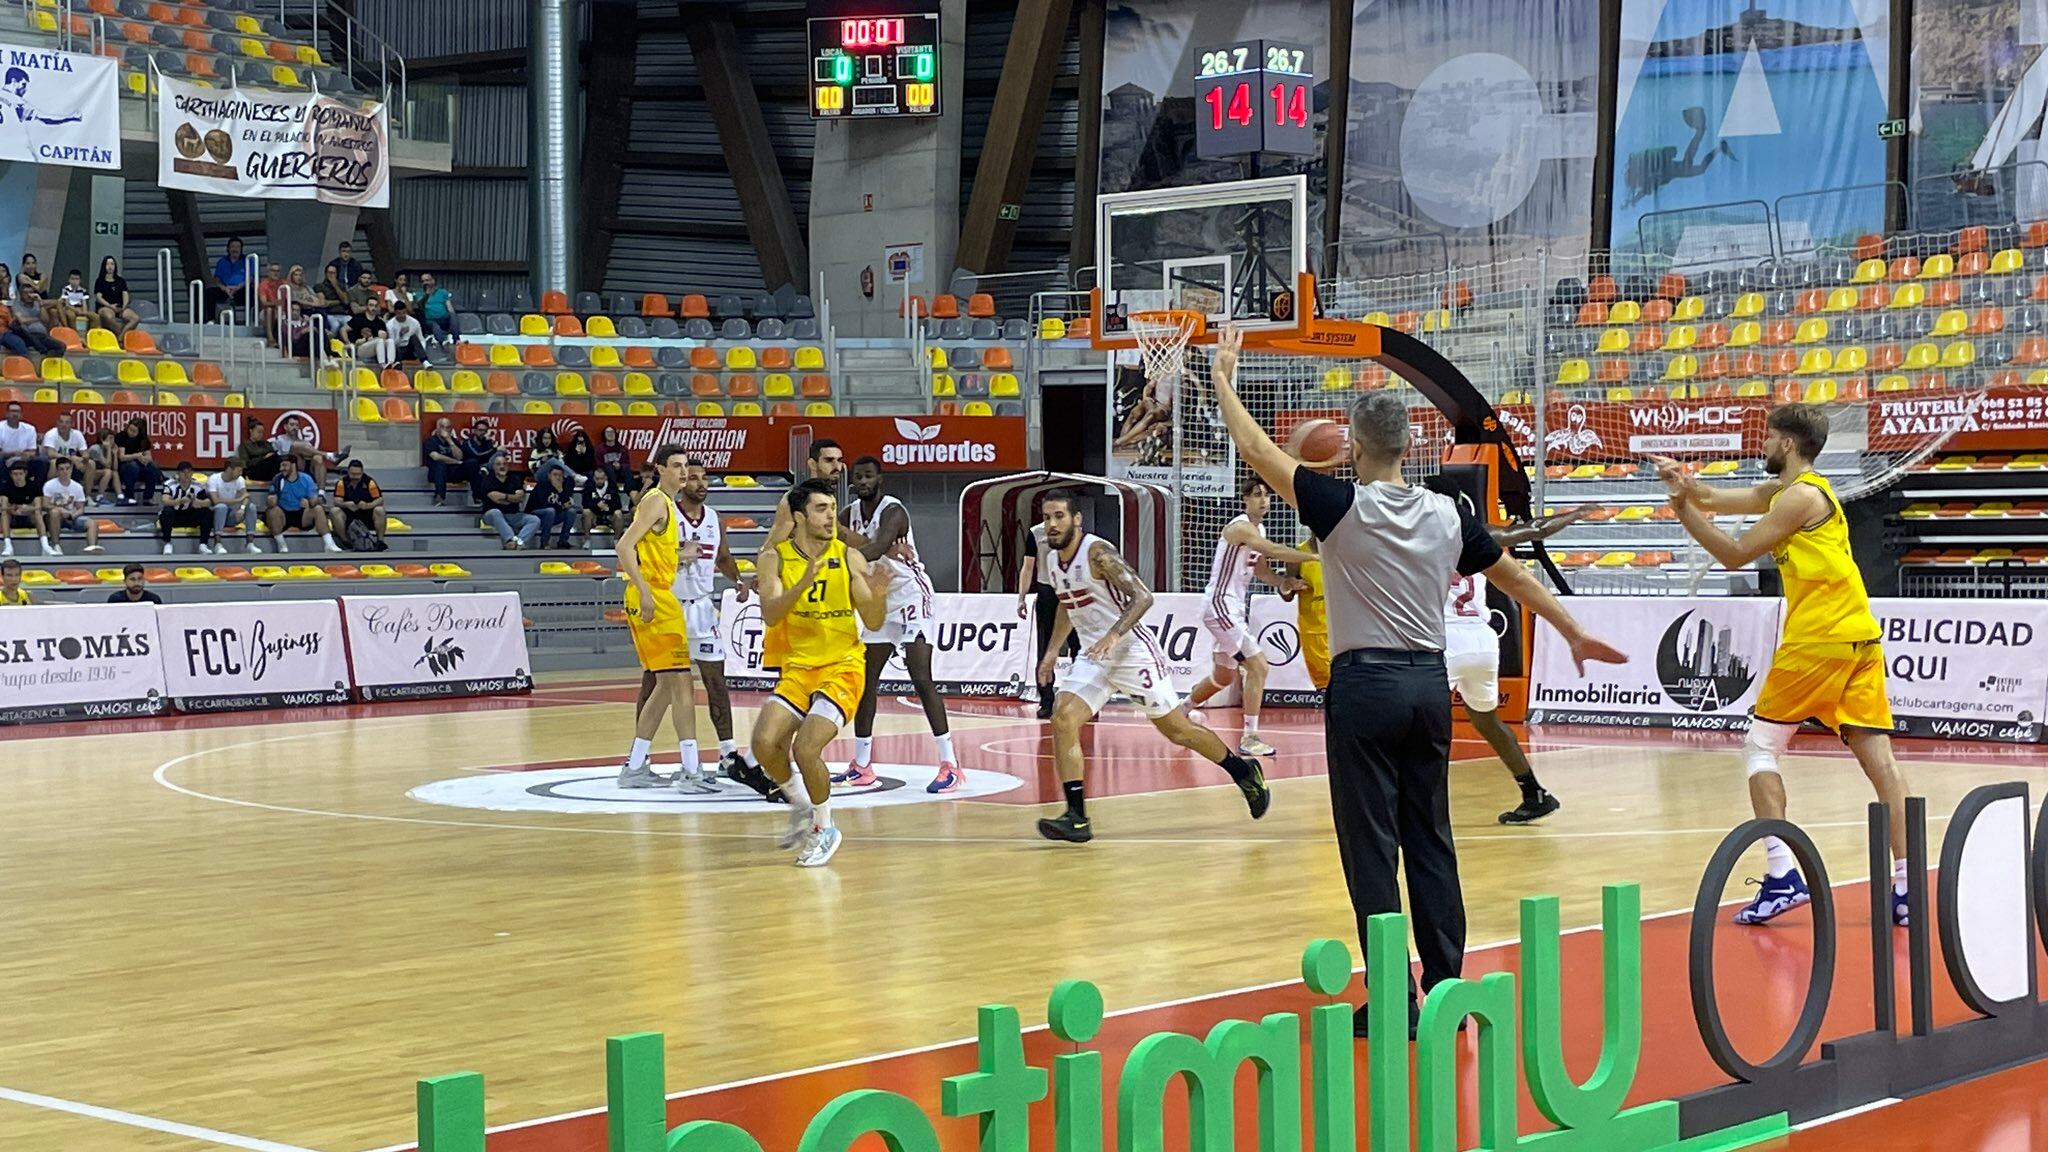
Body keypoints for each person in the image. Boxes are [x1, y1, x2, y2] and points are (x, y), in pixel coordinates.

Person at [1210, 325, 1625, 1038]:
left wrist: (1223, 374)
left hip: (1365, 685)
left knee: (1371, 847)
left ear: (1355, 447)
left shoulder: (1339, 506)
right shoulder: (1449, 512)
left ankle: (1395, 1000)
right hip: (1429, 686)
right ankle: (1447, 991)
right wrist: (1570, 628)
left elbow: (1256, 450)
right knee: (1430, 838)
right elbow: (1514, 574)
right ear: (1409, 446)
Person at [1653, 403, 1912, 927]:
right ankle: (1906, 886)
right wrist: (1685, 483)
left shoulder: (1797, 498)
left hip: (1819, 639)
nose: (1763, 446)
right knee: (1880, 763)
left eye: (1769, 438)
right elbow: (1717, 498)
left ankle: (1780, 875)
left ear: (1788, 445)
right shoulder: (1796, 491)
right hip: (1859, 637)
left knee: (1761, 747)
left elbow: (1733, 553)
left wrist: (1682, 509)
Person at [1034, 489, 1272, 843]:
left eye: (1059, 516)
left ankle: (1243, 772)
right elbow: (1068, 607)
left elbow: (1143, 596)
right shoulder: (1052, 561)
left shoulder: (1098, 553)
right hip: (1094, 656)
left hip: (1131, 651)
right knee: (1063, 717)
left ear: (1076, 519)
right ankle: (1077, 817)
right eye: (1047, 518)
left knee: (1178, 731)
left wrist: (1114, 635)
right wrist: (1052, 653)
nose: (1052, 524)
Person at [753, 478, 890, 866]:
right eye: (820, 509)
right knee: (764, 742)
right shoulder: (774, 558)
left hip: (843, 665)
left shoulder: (848, 557)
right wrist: (803, 585)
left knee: (806, 747)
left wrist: (877, 593)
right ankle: (798, 801)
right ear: (798, 516)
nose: (831, 516)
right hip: (799, 667)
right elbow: (771, 613)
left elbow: (874, 622)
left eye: (832, 508)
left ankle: (824, 826)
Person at [1432, 500, 1592, 824]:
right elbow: (1532, 530)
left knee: (1422, 726)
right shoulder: (1479, 533)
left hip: (1445, 638)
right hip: (1482, 638)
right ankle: (1534, 793)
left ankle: (1421, 807)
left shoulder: (1421, 534)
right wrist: (1571, 515)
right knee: (1487, 721)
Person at [837, 455, 961, 793]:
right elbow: (844, 549)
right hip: (880, 598)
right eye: (858, 477)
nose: (862, 481)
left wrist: (850, 542)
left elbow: (875, 548)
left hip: (910, 595)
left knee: (920, 676)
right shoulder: (848, 515)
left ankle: (950, 764)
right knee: (865, 679)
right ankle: (862, 764)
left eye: (868, 476)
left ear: (880, 480)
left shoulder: (894, 510)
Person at [1184, 478, 1316, 756]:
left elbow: (1262, 572)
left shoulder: (1259, 528)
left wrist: (1284, 583)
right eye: (1257, 495)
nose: (1264, 500)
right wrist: (1317, 559)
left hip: (1232, 609)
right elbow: (1274, 550)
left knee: (1224, 677)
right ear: (1245, 500)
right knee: (1258, 666)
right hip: (1220, 605)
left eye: (1267, 496)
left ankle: (1181, 712)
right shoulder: (1240, 527)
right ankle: (1250, 738)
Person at [613, 444, 708, 792]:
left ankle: (636, 765)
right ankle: (691, 771)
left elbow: (650, 550)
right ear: (660, 468)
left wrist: (681, 555)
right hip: (654, 597)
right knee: (682, 685)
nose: (684, 472)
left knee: (666, 688)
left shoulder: (664, 504)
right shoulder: (656, 500)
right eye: (677, 466)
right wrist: (647, 591)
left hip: (654, 593)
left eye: (686, 466)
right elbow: (624, 547)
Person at [668, 457, 760, 780]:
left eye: (704, 478)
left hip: (703, 608)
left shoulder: (714, 520)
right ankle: (638, 757)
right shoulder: (666, 514)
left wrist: (736, 581)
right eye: (693, 478)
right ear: (682, 482)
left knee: (716, 683)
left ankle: (727, 753)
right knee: (658, 684)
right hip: (671, 605)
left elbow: (723, 556)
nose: (701, 483)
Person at [1017, 517, 1076, 720]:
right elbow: (1028, 566)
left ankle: (1081, 699)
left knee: (1080, 647)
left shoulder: (1074, 530)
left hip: (1072, 590)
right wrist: (1021, 598)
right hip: (1047, 591)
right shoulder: (1036, 533)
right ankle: (1046, 699)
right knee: (1045, 648)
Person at [263, 455, 341, 553]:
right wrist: (271, 499)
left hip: (302, 514)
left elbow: (315, 500)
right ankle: (282, 545)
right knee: (272, 511)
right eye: (280, 466)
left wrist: (309, 502)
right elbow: (270, 500)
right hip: (283, 514)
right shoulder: (277, 479)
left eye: (284, 465)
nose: (281, 469)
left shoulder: (306, 479)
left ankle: (329, 544)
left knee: (318, 509)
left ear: (293, 465)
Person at [40, 457, 99, 555]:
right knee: (55, 512)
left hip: (71, 517)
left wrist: (74, 514)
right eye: (62, 469)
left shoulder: (78, 487)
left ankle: (91, 547)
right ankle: (56, 544)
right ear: (57, 471)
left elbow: (81, 508)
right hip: (53, 517)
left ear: (71, 469)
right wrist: (60, 509)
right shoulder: (49, 485)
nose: (65, 471)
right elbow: (45, 505)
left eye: (67, 468)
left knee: (92, 523)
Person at [478, 455, 538, 549]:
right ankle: (510, 540)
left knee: (534, 520)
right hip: (491, 515)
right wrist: (511, 497)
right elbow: (494, 498)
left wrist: (504, 497)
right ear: (493, 467)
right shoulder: (488, 480)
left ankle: (519, 542)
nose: (502, 466)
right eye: (498, 464)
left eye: (504, 464)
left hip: (512, 515)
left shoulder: (515, 478)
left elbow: (520, 497)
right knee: (495, 512)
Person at [156, 461, 214, 554]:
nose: (187, 475)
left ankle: (203, 544)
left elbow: (208, 502)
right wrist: (179, 501)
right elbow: (165, 500)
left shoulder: (197, 485)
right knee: (167, 512)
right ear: (178, 474)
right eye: (183, 472)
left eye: (189, 472)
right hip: (175, 516)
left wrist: (197, 502)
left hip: (191, 515)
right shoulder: (170, 484)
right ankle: (167, 543)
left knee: (207, 512)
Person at [207, 459, 259, 553]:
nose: (241, 473)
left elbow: (246, 497)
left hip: (230, 515)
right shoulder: (214, 479)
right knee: (221, 507)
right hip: (214, 515)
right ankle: (217, 544)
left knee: (251, 507)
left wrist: (242, 508)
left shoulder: (240, 480)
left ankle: (250, 543)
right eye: (239, 470)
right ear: (230, 469)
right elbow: (215, 501)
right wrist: (238, 500)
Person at [332, 459, 387, 545]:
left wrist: (368, 505)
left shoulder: (370, 482)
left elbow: (380, 500)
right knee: (334, 511)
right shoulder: (341, 483)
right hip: (349, 516)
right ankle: (345, 541)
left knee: (380, 510)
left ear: (362, 473)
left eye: (358, 474)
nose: (355, 477)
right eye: (352, 474)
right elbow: (337, 501)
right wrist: (345, 504)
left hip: (366, 515)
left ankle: (380, 541)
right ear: (348, 472)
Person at [523, 463, 575, 549]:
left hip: (553, 515)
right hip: (536, 515)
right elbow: (542, 504)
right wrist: (562, 506)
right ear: (549, 476)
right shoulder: (542, 485)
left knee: (571, 512)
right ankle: (544, 542)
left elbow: (568, 504)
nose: (557, 477)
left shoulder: (564, 486)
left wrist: (560, 490)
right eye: (555, 475)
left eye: (560, 475)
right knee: (550, 511)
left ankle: (563, 541)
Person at [113, 416, 160, 504]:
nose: (130, 432)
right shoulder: (122, 436)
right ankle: (129, 496)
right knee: (132, 466)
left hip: (139, 466)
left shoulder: (144, 440)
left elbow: (149, 457)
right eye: (130, 429)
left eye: (134, 431)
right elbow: (122, 457)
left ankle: (148, 497)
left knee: (153, 467)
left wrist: (144, 459)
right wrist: (136, 456)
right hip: (124, 467)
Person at [9, 288, 65, 357]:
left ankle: (46, 360)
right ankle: (42, 350)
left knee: (61, 346)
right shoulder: (17, 305)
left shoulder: (37, 304)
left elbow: (45, 319)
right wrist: (38, 318)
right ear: (21, 295)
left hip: (42, 335)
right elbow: (22, 320)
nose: (29, 295)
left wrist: (40, 302)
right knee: (22, 330)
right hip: (28, 335)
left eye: (31, 292)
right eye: (25, 293)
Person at [0, 461, 40, 556]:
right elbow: (3, 507)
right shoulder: (5, 486)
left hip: (29, 514)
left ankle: (45, 543)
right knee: (5, 514)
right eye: (15, 474)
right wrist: (11, 509)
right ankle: (8, 544)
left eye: (20, 474)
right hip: (12, 515)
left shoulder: (33, 486)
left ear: (25, 473)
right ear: (11, 475)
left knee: (37, 512)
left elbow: (38, 506)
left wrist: (28, 508)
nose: (18, 477)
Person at [422, 417, 465, 505]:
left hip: (451, 472)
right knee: (440, 464)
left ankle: (478, 498)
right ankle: (439, 497)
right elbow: (436, 456)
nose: (445, 430)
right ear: (437, 428)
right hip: (436, 473)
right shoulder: (431, 441)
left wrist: (450, 441)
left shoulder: (454, 441)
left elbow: (460, 457)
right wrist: (455, 462)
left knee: (472, 463)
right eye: (442, 427)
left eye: (448, 427)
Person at [205, 236, 248, 321]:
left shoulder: (247, 260)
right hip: (225, 289)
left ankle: (252, 320)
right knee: (209, 293)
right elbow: (217, 279)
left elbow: (251, 278)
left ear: (241, 249)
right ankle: (211, 320)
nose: (235, 249)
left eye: (238, 247)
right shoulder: (222, 261)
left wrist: (237, 287)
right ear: (228, 249)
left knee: (253, 292)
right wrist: (224, 288)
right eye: (232, 247)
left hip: (242, 289)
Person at [93, 256, 139, 335]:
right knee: (108, 317)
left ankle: (121, 336)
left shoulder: (120, 281)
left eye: (112, 264)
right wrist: (110, 306)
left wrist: (123, 307)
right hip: (106, 307)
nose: (110, 267)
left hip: (120, 307)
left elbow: (125, 294)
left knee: (135, 318)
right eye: (107, 264)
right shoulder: (100, 281)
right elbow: (98, 297)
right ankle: (119, 332)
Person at [580, 466, 629, 540]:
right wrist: (597, 505)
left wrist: (608, 508)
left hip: (609, 515)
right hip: (594, 515)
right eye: (597, 479)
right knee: (586, 512)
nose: (599, 481)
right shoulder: (589, 485)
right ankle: (587, 539)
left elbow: (618, 504)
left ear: (605, 477)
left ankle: (616, 540)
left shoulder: (612, 485)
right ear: (593, 478)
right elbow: (585, 503)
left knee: (618, 513)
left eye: (601, 478)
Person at [40, 411, 88, 486]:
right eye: (61, 422)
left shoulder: (77, 434)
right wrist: (71, 458)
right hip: (47, 462)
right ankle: (50, 491)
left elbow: (86, 454)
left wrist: (81, 459)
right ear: (57, 423)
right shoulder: (51, 434)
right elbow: (51, 454)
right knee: (54, 463)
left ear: (72, 424)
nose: (64, 425)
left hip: (70, 462)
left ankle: (87, 495)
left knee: (91, 464)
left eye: (67, 422)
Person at [347, 295, 392, 368]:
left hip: (375, 347)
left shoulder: (380, 322)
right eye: (371, 305)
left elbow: (384, 336)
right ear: (366, 306)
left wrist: (381, 336)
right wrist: (347, 342)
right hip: (361, 347)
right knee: (379, 340)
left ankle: (391, 363)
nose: (373, 308)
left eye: (375, 306)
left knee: (390, 341)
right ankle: (382, 364)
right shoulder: (358, 318)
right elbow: (343, 329)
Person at [0, 401, 40, 483]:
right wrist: (12, 454)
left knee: (41, 461)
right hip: (4, 459)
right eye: (12, 411)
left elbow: (32, 451)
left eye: (17, 411)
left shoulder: (30, 429)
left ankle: (36, 489)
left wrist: (27, 455)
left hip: (23, 460)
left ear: (21, 414)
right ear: (7, 414)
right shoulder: (1, 427)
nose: (15, 414)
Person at [461, 422, 501, 502]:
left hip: (485, 466)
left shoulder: (487, 442)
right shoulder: (468, 442)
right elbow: (477, 454)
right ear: (474, 431)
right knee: (476, 465)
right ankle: (478, 497)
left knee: (500, 453)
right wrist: (495, 449)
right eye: (480, 430)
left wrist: (496, 450)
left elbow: (491, 456)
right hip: (470, 468)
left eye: (485, 431)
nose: (483, 433)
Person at [417, 272, 457, 343]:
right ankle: (443, 343)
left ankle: (456, 339)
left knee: (453, 315)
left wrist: (452, 315)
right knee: (435, 326)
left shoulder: (442, 292)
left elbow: (449, 307)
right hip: (429, 321)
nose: (425, 283)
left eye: (427, 280)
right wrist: (426, 295)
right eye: (423, 281)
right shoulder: (419, 294)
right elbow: (420, 306)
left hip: (444, 320)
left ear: (433, 281)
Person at [86, 429, 120, 503]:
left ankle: (120, 497)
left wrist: (114, 454)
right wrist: (108, 449)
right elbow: (107, 465)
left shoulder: (111, 449)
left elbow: (115, 468)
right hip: (88, 475)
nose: (112, 441)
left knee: (114, 473)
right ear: (102, 439)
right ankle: (99, 496)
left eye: (113, 438)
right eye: (110, 438)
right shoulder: (95, 448)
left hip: (99, 473)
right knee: (108, 472)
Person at [52, 268, 91, 332]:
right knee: (71, 315)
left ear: (80, 280)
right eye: (72, 279)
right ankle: (74, 333)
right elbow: (67, 305)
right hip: (69, 308)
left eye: (77, 279)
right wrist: (76, 310)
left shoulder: (83, 290)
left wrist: (84, 312)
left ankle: (90, 333)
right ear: (69, 280)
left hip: (79, 308)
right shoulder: (66, 289)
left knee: (95, 317)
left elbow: (84, 304)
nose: (74, 281)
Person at [256, 261, 285, 338]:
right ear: (268, 272)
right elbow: (264, 302)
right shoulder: (263, 285)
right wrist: (274, 303)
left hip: (281, 310)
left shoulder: (283, 284)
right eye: (273, 271)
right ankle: (270, 337)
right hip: (266, 312)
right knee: (269, 310)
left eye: (278, 271)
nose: (276, 273)